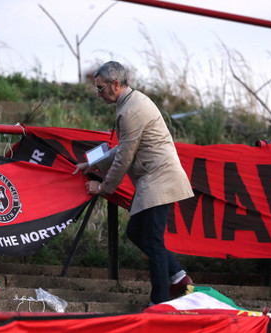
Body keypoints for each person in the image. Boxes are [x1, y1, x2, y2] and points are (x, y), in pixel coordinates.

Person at [73, 61, 195, 305]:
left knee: (151, 239)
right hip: (157, 179)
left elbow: (125, 157)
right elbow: (123, 148)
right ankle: (179, 278)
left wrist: (104, 188)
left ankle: (159, 301)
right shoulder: (132, 102)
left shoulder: (131, 111)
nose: (99, 94)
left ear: (115, 85)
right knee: (137, 232)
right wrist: (92, 165)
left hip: (159, 180)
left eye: (100, 89)